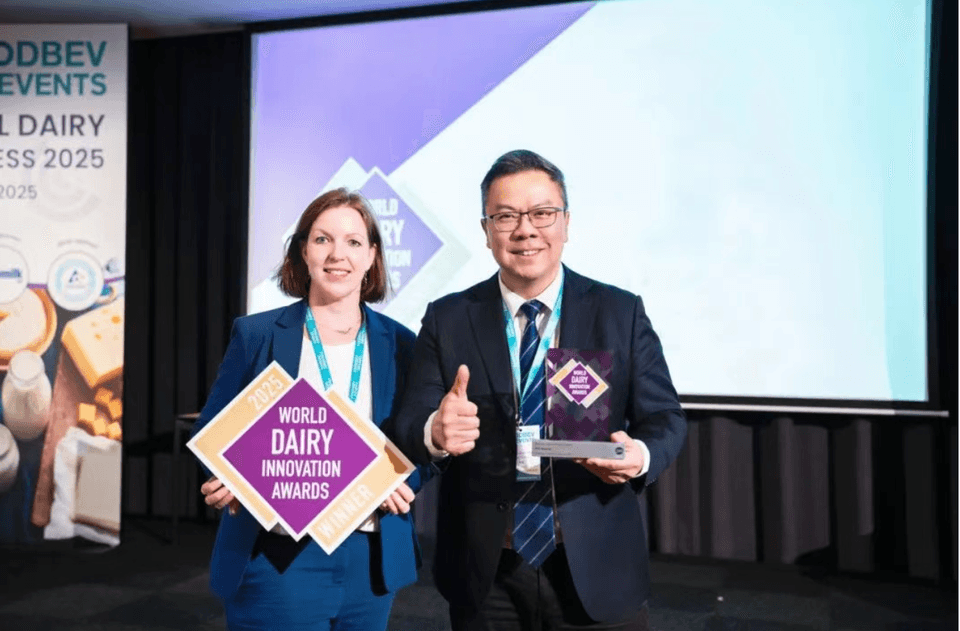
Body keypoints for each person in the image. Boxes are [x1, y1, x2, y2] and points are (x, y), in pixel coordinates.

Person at [385, 150, 687, 630]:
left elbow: (665, 418)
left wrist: (641, 456)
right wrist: (434, 432)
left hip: (595, 561)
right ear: (486, 230)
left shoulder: (619, 312)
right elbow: (410, 420)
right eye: (506, 216)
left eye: (542, 213)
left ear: (566, 222)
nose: (525, 230)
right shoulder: (448, 317)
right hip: (487, 569)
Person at [192, 188, 432, 631]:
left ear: (372, 256)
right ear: (303, 251)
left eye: (353, 242)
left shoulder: (402, 344)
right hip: (278, 555)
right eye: (323, 239)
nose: (338, 254)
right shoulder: (258, 334)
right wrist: (222, 474)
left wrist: (409, 479)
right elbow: (212, 429)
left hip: (370, 554)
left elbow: (419, 439)